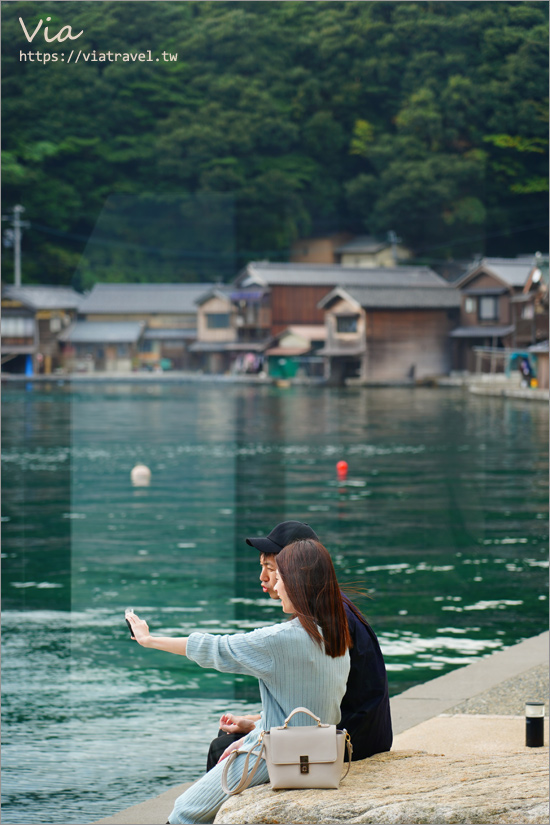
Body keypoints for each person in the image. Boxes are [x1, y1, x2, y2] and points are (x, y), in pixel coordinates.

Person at [126, 538, 352, 825]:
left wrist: (148, 640)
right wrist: (252, 732)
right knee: (225, 747)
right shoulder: (336, 635)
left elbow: (215, 647)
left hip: (277, 757)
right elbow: (306, 708)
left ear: (297, 582)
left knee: (184, 810)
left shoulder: (280, 640)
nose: (275, 585)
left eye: (279, 578)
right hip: (318, 756)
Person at [206, 520, 392, 770]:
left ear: (296, 567)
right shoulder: (330, 607)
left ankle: (224, 809)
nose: (263, 577)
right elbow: (316, 697)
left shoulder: (326, 620)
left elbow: (325, 710)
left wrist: (257, 729)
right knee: (228, 737)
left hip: (350, 742)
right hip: (360, 733)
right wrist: (258, 722)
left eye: (271, 568)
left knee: (222, 748)